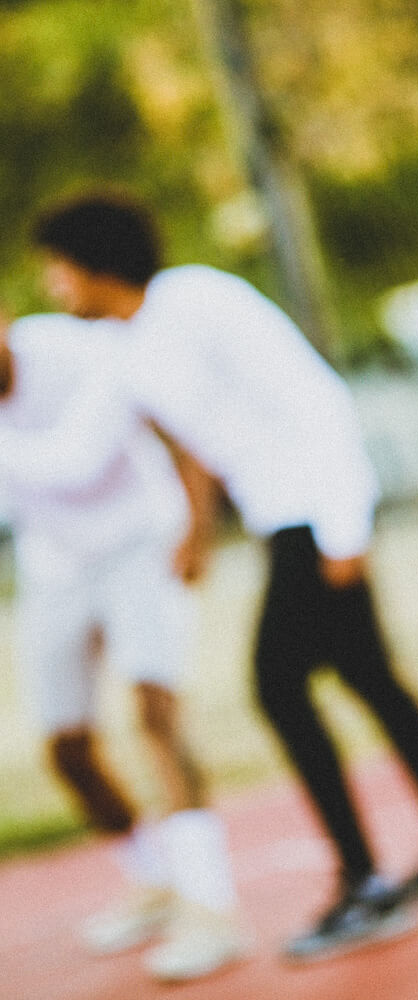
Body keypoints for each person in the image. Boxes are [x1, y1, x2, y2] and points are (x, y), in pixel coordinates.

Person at [0, 193, 418, 961]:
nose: (54, 289)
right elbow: (83, 457)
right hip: (278, 520)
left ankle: (366, 885)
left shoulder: (198, 299)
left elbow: (313, 395)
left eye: (59, 271)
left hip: (314, 515)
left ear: (96, 265)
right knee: (367, 674)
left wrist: (344, 525)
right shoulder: (124, 350)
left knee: (278, 688)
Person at [0, 312, 248, 982]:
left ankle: (211, 910)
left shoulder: (75, 350)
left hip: (140, 542)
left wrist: (198, 525)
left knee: (155, 715)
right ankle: (157, 880)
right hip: (53, 564)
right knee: (66, 750)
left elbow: (165, 425)